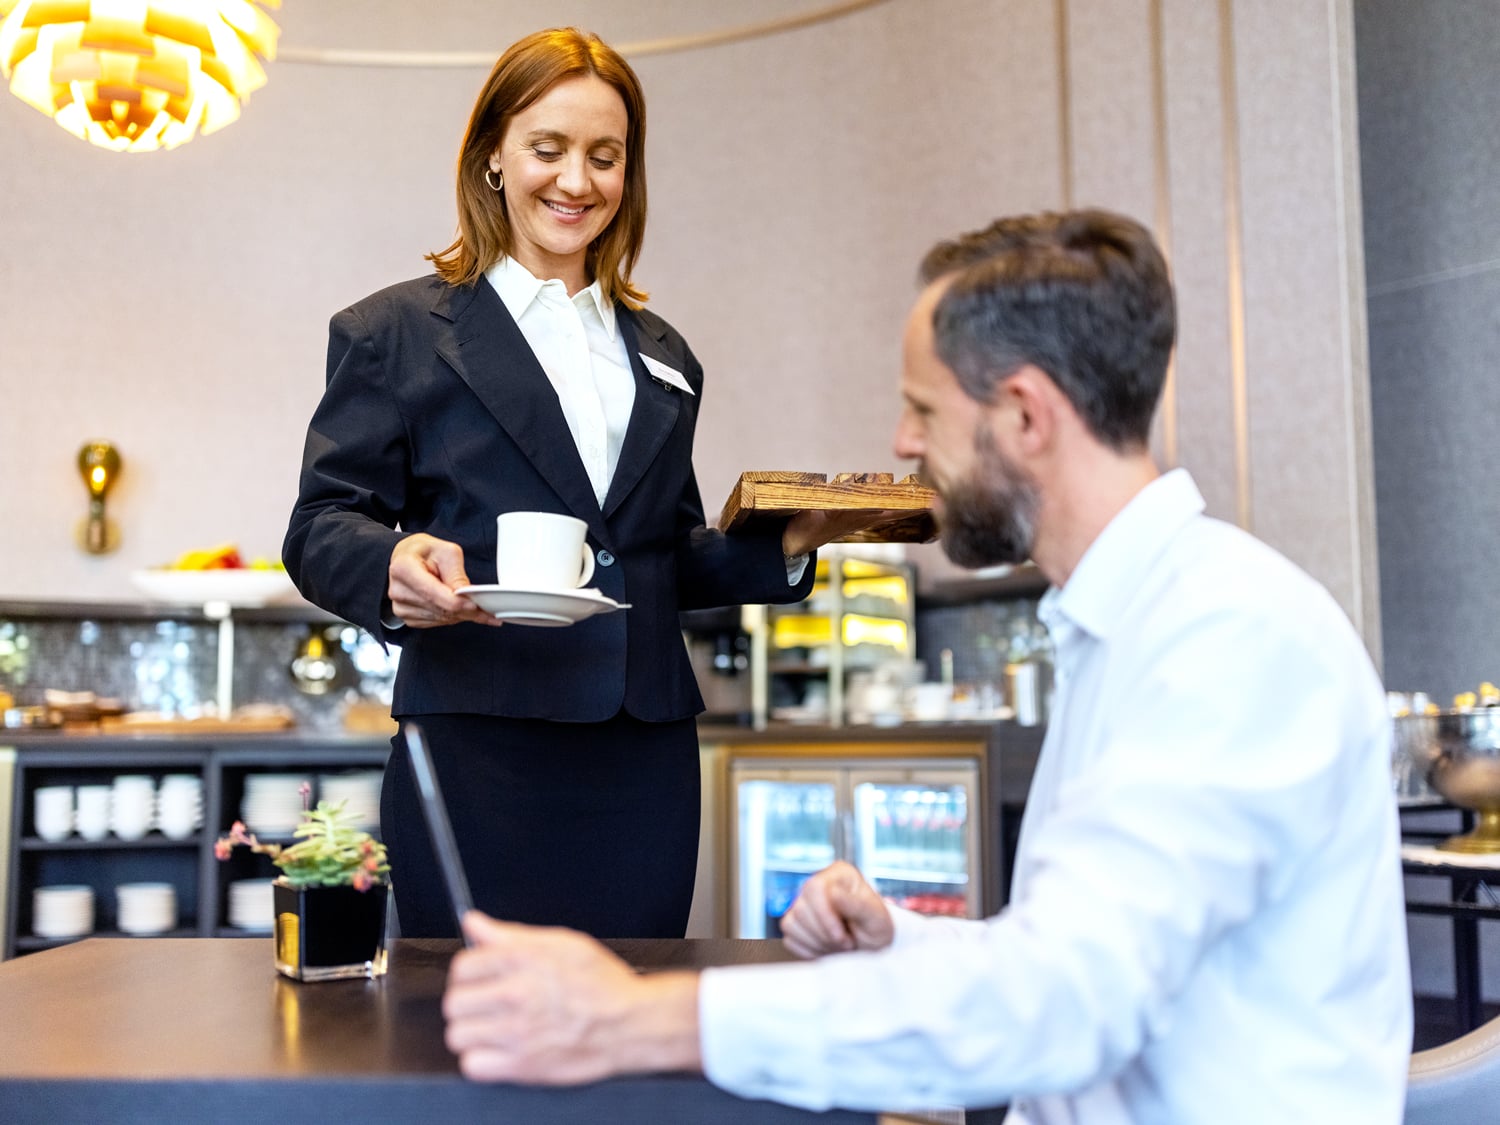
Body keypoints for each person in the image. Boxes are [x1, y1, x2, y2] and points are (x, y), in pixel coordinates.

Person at [439, 208, 1414, 1121]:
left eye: (924, 411)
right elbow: (1080, 954)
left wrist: (635, 1017)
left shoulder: (1229, 641)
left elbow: (1061, 1008)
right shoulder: (1136, 625)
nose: (903, 445)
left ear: (1026, 417)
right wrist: (901, 939)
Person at [283, 27, 868, 940]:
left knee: (632, 1019)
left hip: (644, 754)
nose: (576, 180)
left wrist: (788, 544)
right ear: (492, 159)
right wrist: (391, 562)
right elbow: (320, 524)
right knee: (470, 1038)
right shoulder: (394, 332)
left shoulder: (666, 355)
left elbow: (661, 557)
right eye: (546, 149)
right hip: (481, 739)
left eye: (605, 156)